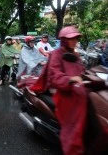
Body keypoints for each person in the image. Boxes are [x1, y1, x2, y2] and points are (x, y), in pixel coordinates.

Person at [30, 26, 89, 155]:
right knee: (72, 122)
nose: (74, 41)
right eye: (70, 38)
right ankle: (72, 148)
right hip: (60, 90)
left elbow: (82, 71)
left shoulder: (75, 54)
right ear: (63, 40)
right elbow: (54, 76)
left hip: (76, 89)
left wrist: (87, 77)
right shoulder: (56, 54)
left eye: (75, 38)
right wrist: (70, 79)